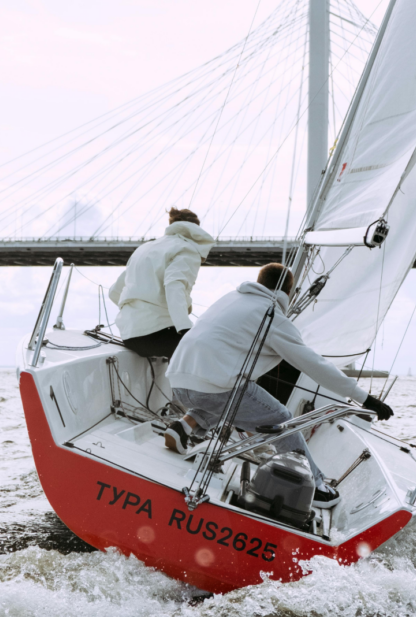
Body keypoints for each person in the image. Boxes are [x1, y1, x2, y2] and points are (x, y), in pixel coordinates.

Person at [164, 262, 393, 508]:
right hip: (214, 387)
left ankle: (184, 427)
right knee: (281, 418)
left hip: (178, 382)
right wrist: (364, 398)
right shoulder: (271, 315)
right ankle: (315, 486)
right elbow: (314, 365)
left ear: (259, 281)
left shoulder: (231, 298)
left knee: (223, 398)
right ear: (289, 292)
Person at [108, 208, 213, 358]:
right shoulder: (187, 249)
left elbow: (114, 292)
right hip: (159, 335)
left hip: (129, 336)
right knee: (210, 351)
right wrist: (185, 329)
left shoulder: (145, 248)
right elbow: (174, 286)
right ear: (197, 229)